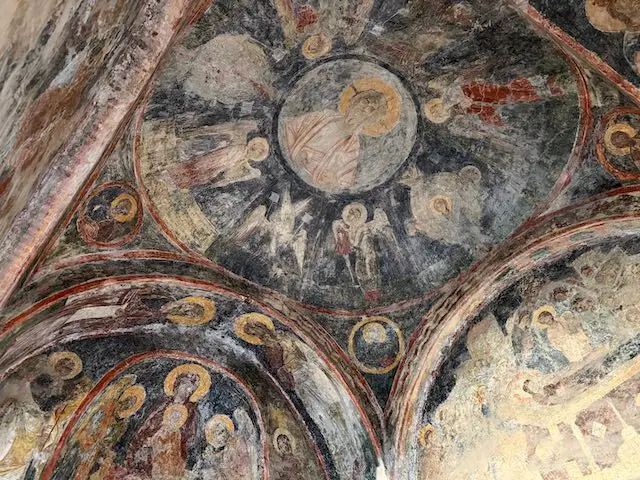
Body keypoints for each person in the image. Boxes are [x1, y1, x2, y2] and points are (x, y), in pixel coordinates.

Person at [283, 78, 400, 192]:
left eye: (371, 110)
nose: (364, 109)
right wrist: (295, 153)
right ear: (353, 101)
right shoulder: (325, 117)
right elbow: (289, 127)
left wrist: (331, 179)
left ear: (370, 120)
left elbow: (342, 182)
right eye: (364, 102)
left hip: (305, 184)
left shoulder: (352, 147)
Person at [169, 121, 269, 190]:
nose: (255, 149)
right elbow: (223, 153)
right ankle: (172, 177)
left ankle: (174, 181)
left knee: (198, 174)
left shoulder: (243, 157)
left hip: (218, 165)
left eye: (257, 151)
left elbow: (230, 171)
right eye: (256, 147)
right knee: (195, 168)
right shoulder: (240, 146)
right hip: (214, 160)